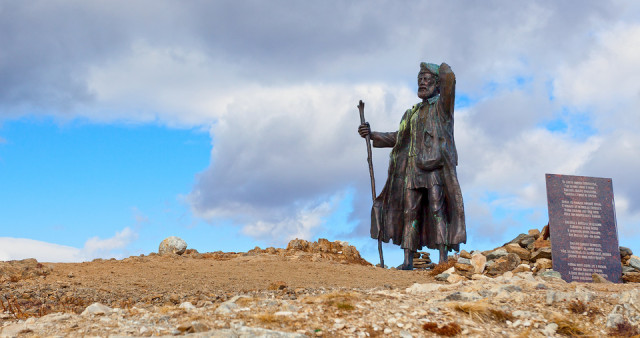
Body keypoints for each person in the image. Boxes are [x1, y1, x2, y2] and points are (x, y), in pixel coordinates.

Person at [358, 62, 466, 269]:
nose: (422, 84)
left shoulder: (442, 108)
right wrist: (372, 135)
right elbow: (399, 138)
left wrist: (444, 70)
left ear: (436, 84)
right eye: (420, 80)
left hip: (434, 168)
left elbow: (449, 85)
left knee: (437, 211)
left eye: (427, 80)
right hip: (412, 170)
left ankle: (443, 259)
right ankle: (407, 260)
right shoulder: (412, 113)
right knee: (409, 214)